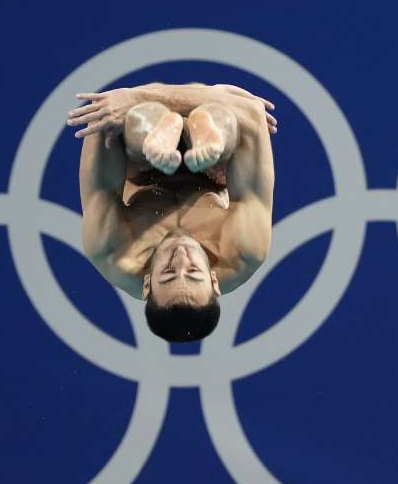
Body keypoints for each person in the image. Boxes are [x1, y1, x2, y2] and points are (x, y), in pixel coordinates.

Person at [68, 82, 278, 342]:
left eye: (167, 272)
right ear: (214, 282)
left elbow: (101, 122)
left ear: (147, 284)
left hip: (143, 164)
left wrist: (134, 100)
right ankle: (206, 129)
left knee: (138, 122)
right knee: (223, 120)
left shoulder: (111, 250)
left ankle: (158, 131)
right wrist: (221, 100)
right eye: (194, 272)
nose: (180, 257)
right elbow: (252, 114)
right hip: (212, 169)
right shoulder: (244, 251)